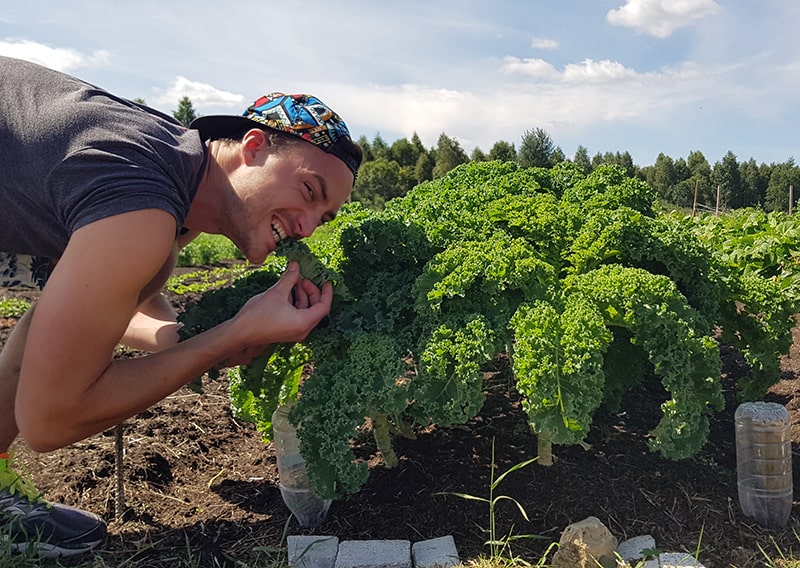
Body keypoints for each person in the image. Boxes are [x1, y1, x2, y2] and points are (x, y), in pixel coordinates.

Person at [0, 55, 362, 558]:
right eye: (308, 190)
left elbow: (114, 302)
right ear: (253, 146)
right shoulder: (142, 204)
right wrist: (229, 336)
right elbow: (49, 420)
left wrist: (184, 338)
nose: (307, 225)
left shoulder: (176, 181)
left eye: (324, 216)